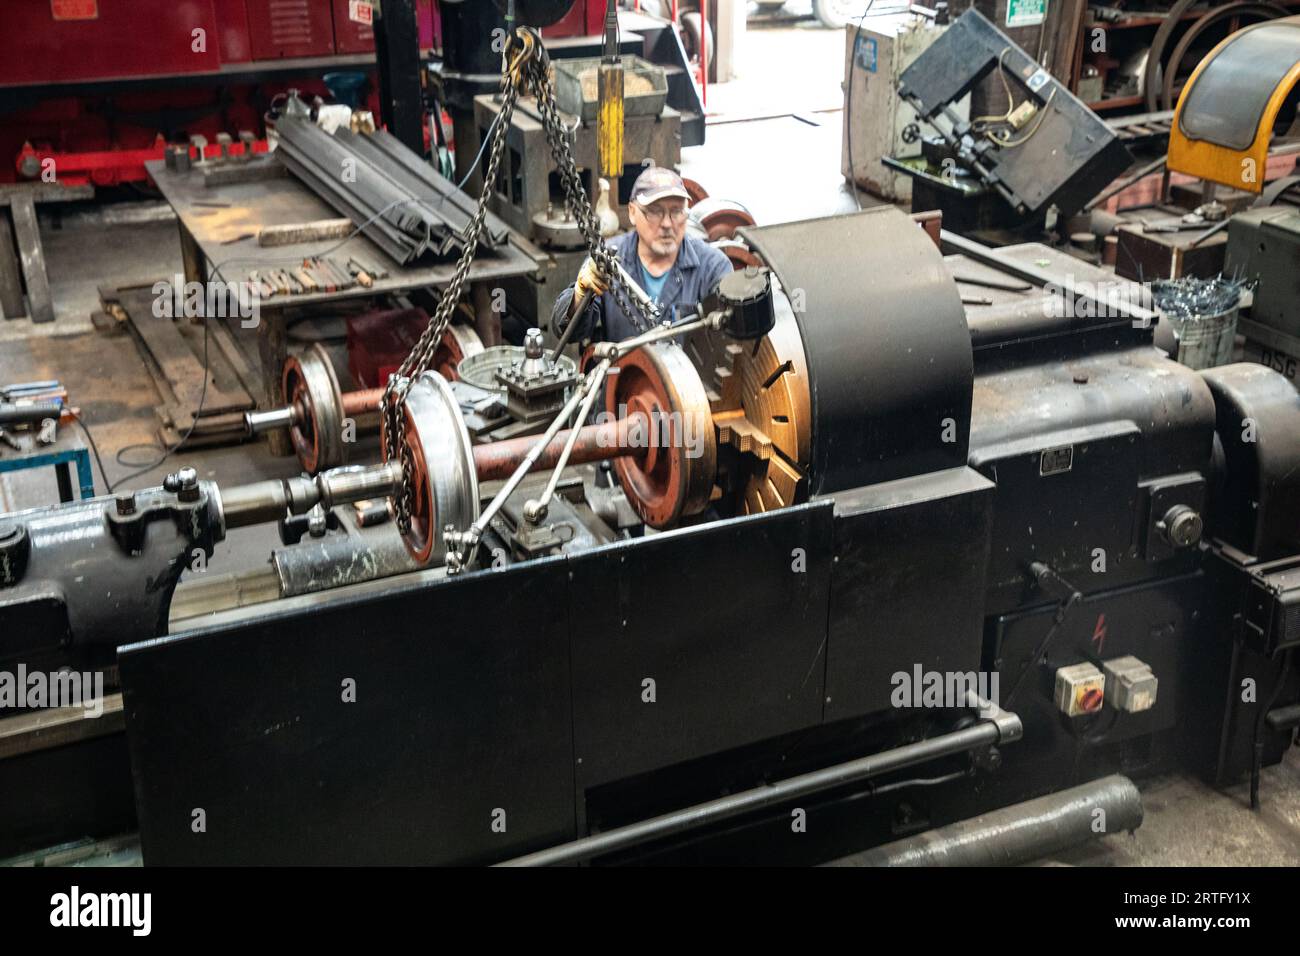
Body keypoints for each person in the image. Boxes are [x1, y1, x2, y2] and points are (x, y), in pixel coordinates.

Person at [551, 167, 732, 344]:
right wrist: (579, 296)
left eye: (676, 211)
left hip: (690, 374)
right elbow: (567, 332)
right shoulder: (607, 259)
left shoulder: (712, 266)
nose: (667, 223)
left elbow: (731, 336)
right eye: (655, 211)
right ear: (632, 212)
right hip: (623, 373)